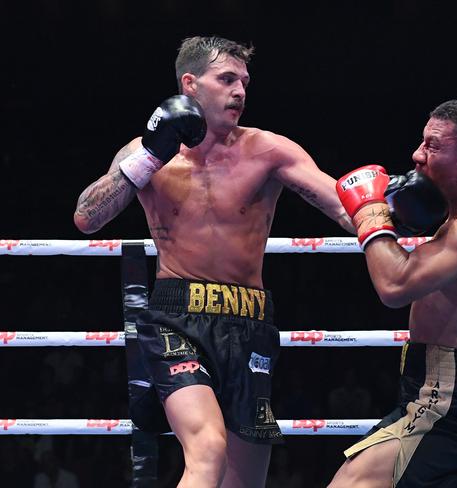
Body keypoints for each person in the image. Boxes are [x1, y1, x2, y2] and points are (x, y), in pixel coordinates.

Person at [74, 35, 353, 488]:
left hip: (250, 319)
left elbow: (342, 207)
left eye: (244, 81)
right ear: (191, 84)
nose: (240, 91)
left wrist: (396, 207)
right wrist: (149, 155)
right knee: (207, 448)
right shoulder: (145, 152)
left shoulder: (269, 150)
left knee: (245, 479)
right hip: (176, 317)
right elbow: (87, 217)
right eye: (227, 79)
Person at [330, 99, 457, 487]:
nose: (417, 155)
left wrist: (371, 214)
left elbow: (394, 286)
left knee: (352, 482)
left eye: (433, 146)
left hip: (445, 397)